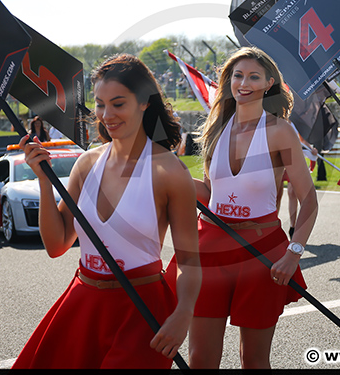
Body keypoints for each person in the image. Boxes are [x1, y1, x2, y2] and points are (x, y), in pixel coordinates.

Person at [12, 54, 201, 369]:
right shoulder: (86, 164)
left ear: (143, 102)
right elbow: (56, 244)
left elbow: (189, 260)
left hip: (142, 309)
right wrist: (44, 184)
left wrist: (183, 314)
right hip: (83, 302)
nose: (107, 115)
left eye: (118, 103)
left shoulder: (170, 171)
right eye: (100, 104)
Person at [185, 46, 318, 369]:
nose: (244, 83)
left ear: (269, 82)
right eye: (238, 75)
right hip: (211, 247)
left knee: (254, 360)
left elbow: (309, 199)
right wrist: (170, 175)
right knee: (200, 359)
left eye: (253, 76)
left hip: (262, 250)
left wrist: (294, 252)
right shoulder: (216, 128)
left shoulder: (279, 131)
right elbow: (209, 194)